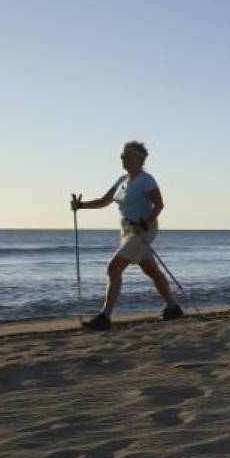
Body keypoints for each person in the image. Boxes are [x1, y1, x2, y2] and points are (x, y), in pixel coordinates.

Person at [71, 140, 183, 331]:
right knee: (151, 270)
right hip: (126, 230)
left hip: (143, 229)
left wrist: (145, 223)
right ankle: (173, 307)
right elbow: (104, 201)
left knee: (114, 268)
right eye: (122, 155)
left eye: (127, 155)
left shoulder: (146, 180)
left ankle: (105, 317)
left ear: (139, 158)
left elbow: (159, 205)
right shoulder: (122, 180)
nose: (122, 158)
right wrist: (81, 206)